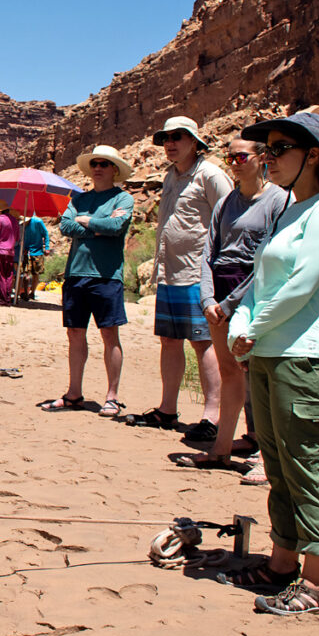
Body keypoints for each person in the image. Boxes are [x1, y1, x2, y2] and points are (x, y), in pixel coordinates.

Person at [219, 112, 319, 616]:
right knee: (278, 467)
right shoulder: (293, 211)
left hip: (306, 355)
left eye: (279, 149)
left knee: (305, 468)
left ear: (314, 156)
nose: (269, 158)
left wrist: (252, 328)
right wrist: (243, 327)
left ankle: (317, 582)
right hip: (270, 352)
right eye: (267, 150)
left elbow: (301, 285)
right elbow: (262, 282)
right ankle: (281, 563)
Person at [178, 137, 283, 480]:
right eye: (229, 157)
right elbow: (210, 252)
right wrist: (208, 299)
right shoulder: (225, 202)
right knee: (229, 369)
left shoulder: (279, 201)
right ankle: (221, 448)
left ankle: (267, 456)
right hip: (219, 291)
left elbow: (269, 260)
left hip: (252, 291)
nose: (234, 162)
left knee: (259, 373)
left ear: (262, 158)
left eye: (241, 156)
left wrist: (229, 302)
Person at [126, 117, 232, 436]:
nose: (170, 143)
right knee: (170, 340)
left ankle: (212, 418)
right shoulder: (171, 176)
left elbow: (230, 218)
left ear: (194, 142)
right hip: (170, 274)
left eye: (177, 137)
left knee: (203, 342)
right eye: (166, 138)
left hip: (199, 274)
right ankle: (167, 410)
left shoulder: (211, 175)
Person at [40, 145, 134, 417]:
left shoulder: (123, 199)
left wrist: (86, 222)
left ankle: (112, 397)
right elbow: (66, 226)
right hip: (76, 275)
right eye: (95, 163)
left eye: (104, 163)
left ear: (114, 169)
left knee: (109, 335)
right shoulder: (78, 199)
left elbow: (116, 228)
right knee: (75, 334)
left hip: (106, 276)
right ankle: (74, 394)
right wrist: (98, 225)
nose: (98, 167)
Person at [0, 199, 18, 304]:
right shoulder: (15, 221)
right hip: (11, 252)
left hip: (0, 251)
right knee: (8, 275)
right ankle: (7, 297)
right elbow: (17, 237)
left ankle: (1, 299)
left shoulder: (0, 219)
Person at [20, 213, 49, 300]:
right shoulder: (22, 225)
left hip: (37, 251)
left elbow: (46, 234)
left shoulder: (38, 222)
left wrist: (47, 247)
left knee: (35, 273)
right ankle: (25, 292)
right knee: (25, 273)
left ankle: (32, 292)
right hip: (25, 251)